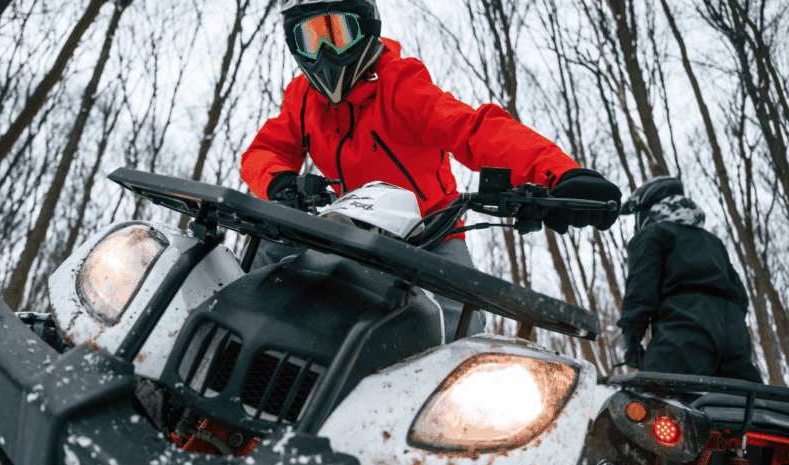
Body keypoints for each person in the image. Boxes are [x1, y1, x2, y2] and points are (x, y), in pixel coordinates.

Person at [240, 0, 621, 341]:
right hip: (349, 227)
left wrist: (559, 174)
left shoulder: (399, 84)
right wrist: (280, 182)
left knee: (463, 329)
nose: (324, 49)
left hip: (429, 230)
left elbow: (475, 130)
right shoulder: (304, 97)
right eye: (310, 37)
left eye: (337, 32)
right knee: (268, 251)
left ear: (366, 27)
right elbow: (266, 149)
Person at [616, 176, 762, 383]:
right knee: (745, 404)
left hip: (684, 330)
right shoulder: (712, 241)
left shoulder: (653, 234)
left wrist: (631, 341)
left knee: (653, 397)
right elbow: (741, 296)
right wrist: (727, 326)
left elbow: (640, 291)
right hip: (734, 334)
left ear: (646, 209)